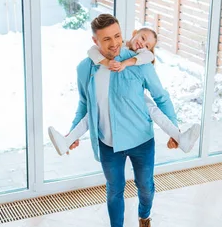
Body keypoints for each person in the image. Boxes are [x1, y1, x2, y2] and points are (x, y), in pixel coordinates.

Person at [66, 13, 179, 227]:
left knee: (145, 187)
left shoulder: (138, 62)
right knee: (114, 191)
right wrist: (73, 133)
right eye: (106, 39)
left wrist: (174, 130)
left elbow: (161, 97)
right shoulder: (86, 68)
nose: (114, 44)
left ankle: (144, 217)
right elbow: (84, 104)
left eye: (117, 36)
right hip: (109, 144)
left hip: (141, 140)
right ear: (95, 41)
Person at [48, 27, 200, 156]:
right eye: (142, 38)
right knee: (92, 113)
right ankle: (67, 140)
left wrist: (126, 63)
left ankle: (180, 138)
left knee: (152, 109)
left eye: (147, 45)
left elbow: (160, 93)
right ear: (134, 33)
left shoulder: (142, 58)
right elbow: (92, 52)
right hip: (110, 98)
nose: (142, 45)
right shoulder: (116, 48)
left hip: (132, 101)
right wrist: (106, 61)